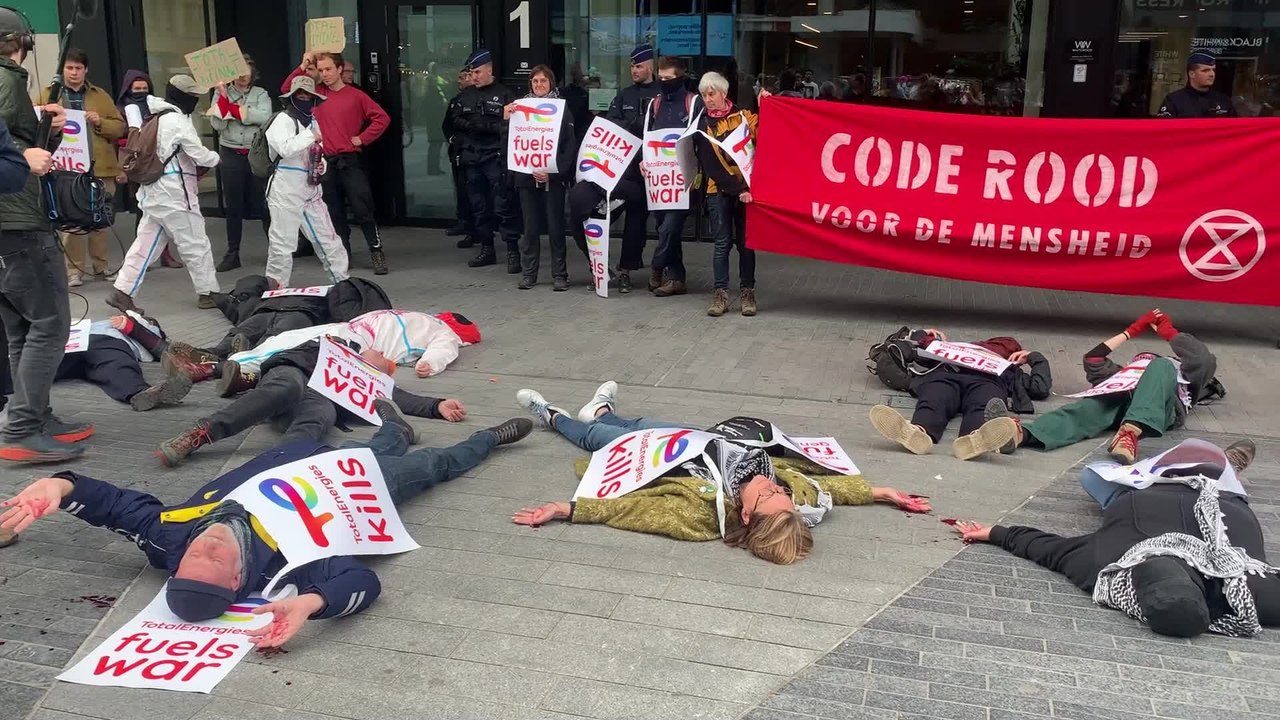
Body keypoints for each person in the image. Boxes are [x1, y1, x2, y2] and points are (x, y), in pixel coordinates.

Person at [0, 398, 534, 638]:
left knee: (374, 441)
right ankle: (487, 439)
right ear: (239, 580)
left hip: (301, 459)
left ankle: (395, 425)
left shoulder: (165, 539)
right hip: (357, 493)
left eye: (191, 557)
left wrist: (61, 487)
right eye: (213, 559)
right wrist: (310, 601)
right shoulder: (287, 568)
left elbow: (110, 504)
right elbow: (360, 581)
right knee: (427, 467)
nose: (201, 546)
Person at [511, 381, 932, 564]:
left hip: (650, 461)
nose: (770, 485)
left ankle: (551, 415)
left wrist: (567, 510)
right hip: (686, 438)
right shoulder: (790, 498)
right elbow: (827, 489)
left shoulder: (702, 515)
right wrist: (884, 492)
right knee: (638, 422)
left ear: (746, 515)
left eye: (765, 497)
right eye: (778, 491)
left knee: (593, 436)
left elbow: (635, 512)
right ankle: (603, 409)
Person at [951, 440, 1280, 640]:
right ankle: (1228, 466)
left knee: (1093, 472)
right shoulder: (1107, 562)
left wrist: (998, 534)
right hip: (1215, 491)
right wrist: (998, 533)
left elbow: (1051, 550)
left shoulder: (1108, 563)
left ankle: (1227, 466)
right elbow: (1052, 550)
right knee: (1202, 453)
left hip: (1158, 486)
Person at [156, 325, 475, 467]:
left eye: (386, 363)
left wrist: (436, 405)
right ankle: (202, 433)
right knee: (289, 387)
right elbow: (294, 352)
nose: (381, 355)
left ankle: (278, 468)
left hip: (318, 395)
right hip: (292, 373)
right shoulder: (339, 343)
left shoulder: (369, 378)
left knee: (322, 416)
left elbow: (394, 394)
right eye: (380, 355)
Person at [0, 8, 84, 464]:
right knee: (50, 324)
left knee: (21, 329)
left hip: (9, 224)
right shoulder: (8, 78)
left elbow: (14, 144)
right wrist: (27, 152)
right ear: (18, 42)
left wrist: (41, 135)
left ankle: (33, 413)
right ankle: (23, 426)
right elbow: (11, 154)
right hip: (18, 221)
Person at [1004, 309, 1222, 464]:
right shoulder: (1121, 374)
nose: (1143, 363)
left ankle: (1131, 432)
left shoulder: (1178, 371)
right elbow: (1093, 359)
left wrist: (1168, 332)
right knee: (1090, 407)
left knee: (1160, 366)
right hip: (1123, 403)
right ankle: (1025, 435)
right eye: (1139, 360)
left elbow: (1204, 360)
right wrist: (1132, 330)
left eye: (1145, 360)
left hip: (1162, 409)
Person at [109, 74, 222, 314]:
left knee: (145, 244)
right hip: (175, 193)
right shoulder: (178, 121)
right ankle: (208, 292)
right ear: (182, 96)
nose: (195, 100)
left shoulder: (155, 117)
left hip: (153, 192)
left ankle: (122, 291)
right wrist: (215, 158)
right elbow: (199, 155)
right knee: (195, 243)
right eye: (192, 96)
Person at [282, 51, 391, 275]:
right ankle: (344, 253)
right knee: (333, 211)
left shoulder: (356, 95)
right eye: (321, 70)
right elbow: (286, 89)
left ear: (340, 69)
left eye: (329, 69)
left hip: (349, 160)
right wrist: (303, 67)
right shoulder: (316, 94)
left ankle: (376, 250)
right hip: (324, 161)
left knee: (363, 208)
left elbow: (382, 118)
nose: (325, 74)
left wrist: (362, 138)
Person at [867, 330, 1047, 460]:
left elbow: (1040, 387)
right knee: (944, 400)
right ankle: (920, 433)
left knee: (935, 402)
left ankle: (925, 430)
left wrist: (1033, 357)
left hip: (957, 378)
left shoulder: (1010, 369)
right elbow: (895, 349)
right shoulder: (947, 351)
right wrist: (922, 335)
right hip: (972, 380)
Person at [566, 44, 658, 292]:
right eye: (631, 66)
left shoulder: (662, 94)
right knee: (580, 212)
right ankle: (599, 266)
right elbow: (610, 127)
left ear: (651, 66)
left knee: (636, 224)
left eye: (638, 66)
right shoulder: (624, 95)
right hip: (614, 173)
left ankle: (626, 271)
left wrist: (632, 126)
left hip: (644, 176)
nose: (634, 70)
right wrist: (637, 125)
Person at [37, 49, 126, 288]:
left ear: (86, 70)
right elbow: (34, 127)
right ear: (62, 69)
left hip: (100, 167)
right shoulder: (48, 94)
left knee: (101, 219)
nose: (74, 72)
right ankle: (74, 271)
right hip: (66, 167)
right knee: (72, 220)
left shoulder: (100, 95)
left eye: (78, 68)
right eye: (69, 68)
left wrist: (101, 122)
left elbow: (120, 128)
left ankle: (101, 267)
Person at [262, 76, 350, 288]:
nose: (303, 98)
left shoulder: (312, 122)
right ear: (291, 98)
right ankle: (276, 289)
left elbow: (318, 154)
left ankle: (343, 284)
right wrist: (310, 136)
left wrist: (322, 166)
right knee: (283, 244)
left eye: (307, 95)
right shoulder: (281, 120)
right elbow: (284, 149)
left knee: (329, 239)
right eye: (299, 95)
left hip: (311, 188)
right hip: (285, 189)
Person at [695, 72, 758, 316]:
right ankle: (720, 294)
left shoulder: (744, 117)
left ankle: (747, 292)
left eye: (711, 94)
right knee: (721, 244)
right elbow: (710, 164)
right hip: (718, 191)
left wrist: (768, 104)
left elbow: (766, 138)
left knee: (746, 244)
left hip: (746, 192)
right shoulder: (701, 124)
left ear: (723, 93)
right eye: (703, 95)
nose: (708, 99)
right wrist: (739, 189)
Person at [507, 65, 574, 290]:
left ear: (551, 84)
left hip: (552, 179)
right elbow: (513, 142)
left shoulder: (562, 110)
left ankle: (560, 274)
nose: (538, 85)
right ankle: (529, 274)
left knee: (556, 228)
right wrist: (505, 117)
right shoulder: (520, 109)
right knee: (530, 228)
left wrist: (554, 172)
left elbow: (568, 146)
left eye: (543, 81)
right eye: (534, 82)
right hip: (526, 178)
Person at [641, 57, 703, 298]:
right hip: (658, 178)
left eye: (669, 79)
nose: (664, 83)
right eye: (661, 78)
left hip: (683, 179)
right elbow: (647, 136)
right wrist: (643, 161)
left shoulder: (693, 102)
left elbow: (700, 138)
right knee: (665, 228)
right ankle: (676, 277)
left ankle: (657, 266)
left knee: (670, 227)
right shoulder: (654, 105)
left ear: (681, 77)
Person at [44, 314, 193, 411]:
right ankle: (22, 382)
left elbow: (158, 347)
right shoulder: (105, 321)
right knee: (47, 361)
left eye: (151, 321)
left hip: (108, 341)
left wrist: (133, 327)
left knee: (116, 367)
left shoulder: (151, 329)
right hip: (80, 337)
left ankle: (143, 393)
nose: (149, 320)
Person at [456, 48, 521, 272]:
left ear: (490, 70)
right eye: (471, 73)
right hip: (473, 157)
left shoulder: (504, 94)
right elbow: (456, 121)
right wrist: (480, 127)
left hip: (496, 157)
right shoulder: (466, 95)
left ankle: (513, 251)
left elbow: (512, 126)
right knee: (479, 206)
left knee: (503, 205)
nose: (474, 76)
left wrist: (484, 127)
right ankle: (487, 249)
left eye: (477, 72)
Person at [208, 54, 272, 272]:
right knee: (233, 206)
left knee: (265, 204)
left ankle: (276, 251)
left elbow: (265, 117)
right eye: (239, 72)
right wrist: (225, 98)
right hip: (231, 153)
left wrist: (232, 111)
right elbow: (217, 122)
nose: (244, 76)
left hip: (255, 154)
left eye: (248, 72)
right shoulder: (220, 93)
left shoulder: (261, 94)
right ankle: (232, 253)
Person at [114, 71, 183, 272]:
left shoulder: (156, 108)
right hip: (135, 164)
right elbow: (118, 136)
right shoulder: (120, 110)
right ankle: (144, 256)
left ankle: (165, 254)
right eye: (137, 89)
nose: (141, 92)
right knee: (142, 210)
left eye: (145, 89)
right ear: (128, 89)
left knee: (163, 208)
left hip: (157, 162)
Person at [444, 67, 475, 245]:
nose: (459, 81)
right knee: (461, 190)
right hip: (458, 153)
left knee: (475, 192)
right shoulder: (456, 101)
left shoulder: (479, 98)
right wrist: (452, 139)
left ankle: (476, 229)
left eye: (463, 77)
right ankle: (464, 223)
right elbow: (447, 124)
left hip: (476, 152)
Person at [1157, 51, 1236, 118]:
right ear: (1192, 74)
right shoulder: (1174, 101)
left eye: (1213, 70)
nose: (1212, 74)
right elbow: (1163, 131)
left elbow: (1235, 129)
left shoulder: (1223, 100)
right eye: (1205, 70)